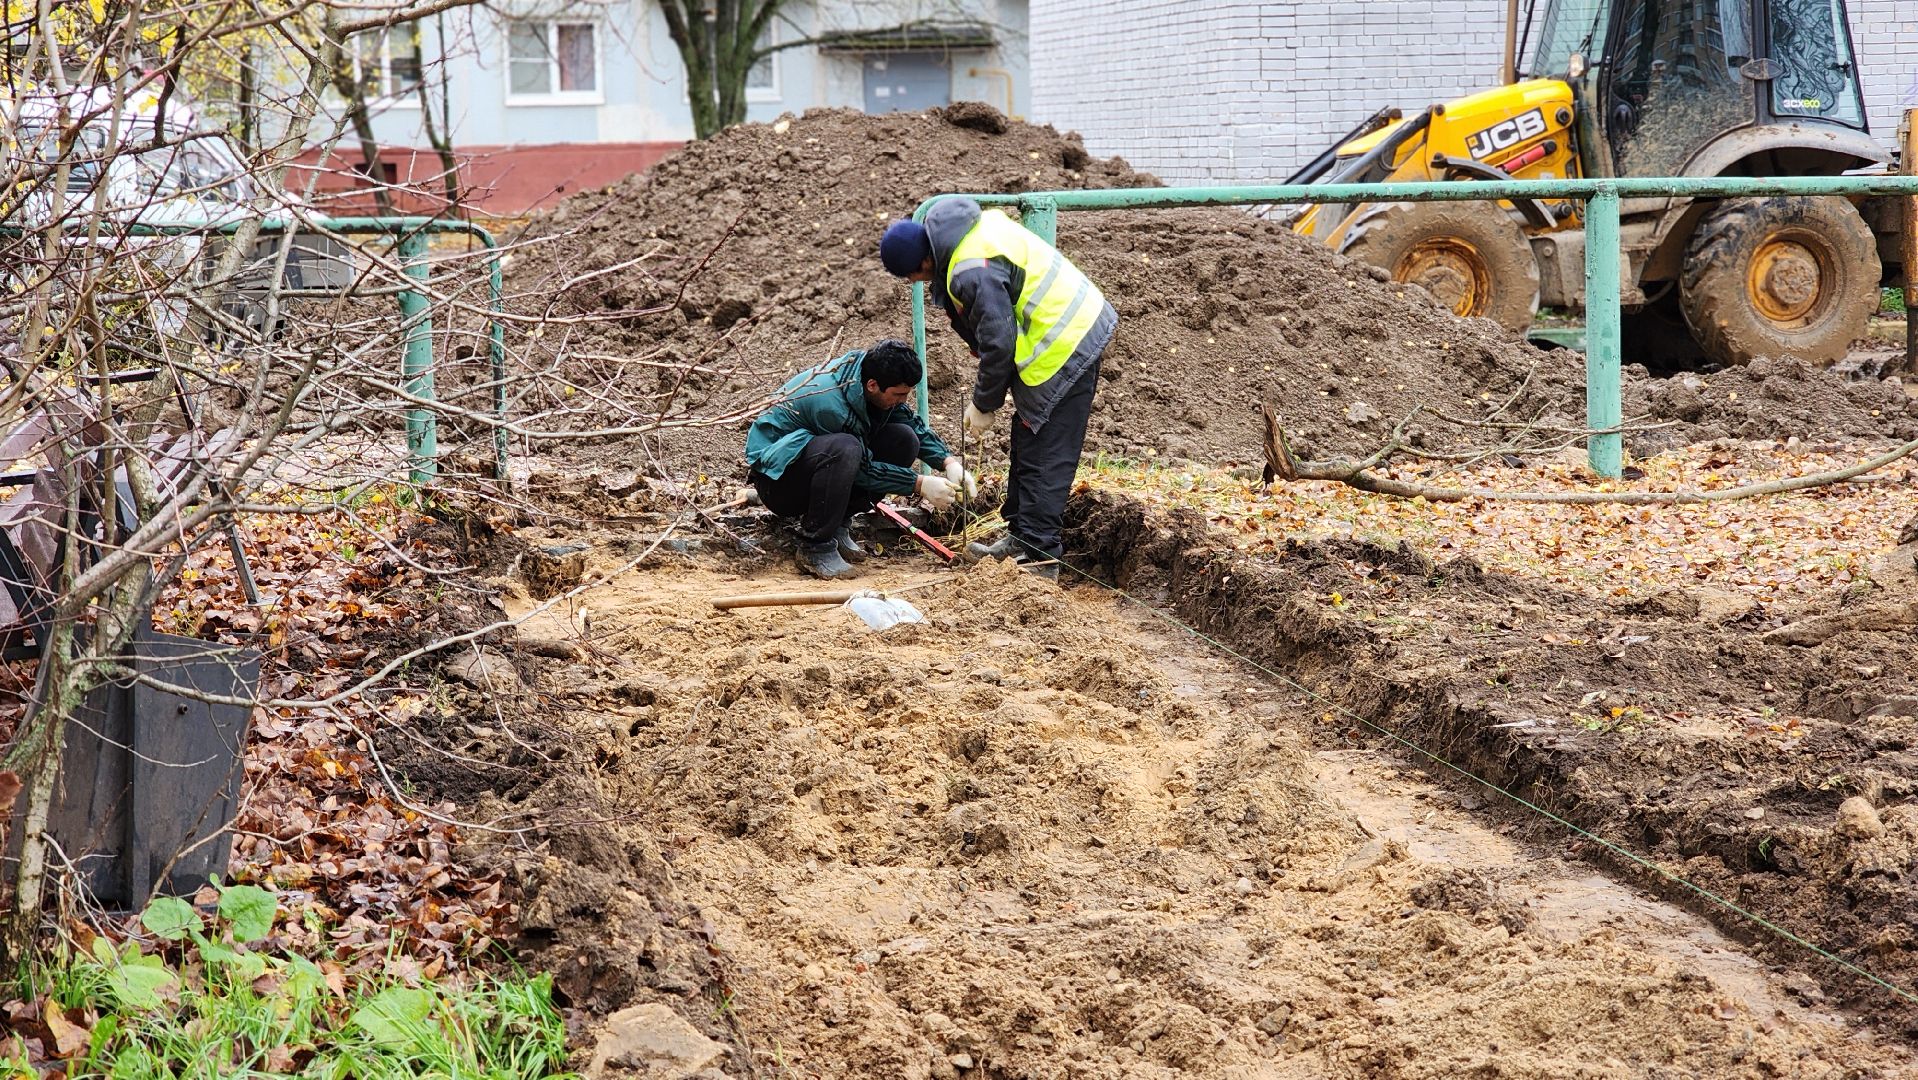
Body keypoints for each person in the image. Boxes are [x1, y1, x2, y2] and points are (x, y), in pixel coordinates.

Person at [879, 198, 1117, 581]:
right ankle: (1021, 538)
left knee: (1046, 448)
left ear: (922, 264)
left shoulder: (970, 270)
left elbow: (999, 343)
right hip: (1056, 333)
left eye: (911, 277)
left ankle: (1040, 557)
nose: (915, 284)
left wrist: (984, 402)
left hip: (1066, 340)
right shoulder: (965, 233)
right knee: (1027, 437)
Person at [746, 339, 965, 579]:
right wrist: (919, 484)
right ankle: (815, 546)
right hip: (779, 483)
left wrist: (948, 462)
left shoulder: (870, 378)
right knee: (845, 448)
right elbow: (863, 470)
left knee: (905, 439)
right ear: (873, 385)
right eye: (898, 394)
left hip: (813, 462)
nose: (903, 400)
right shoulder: (831, 406)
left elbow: (909, 422)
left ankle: (837, 523)